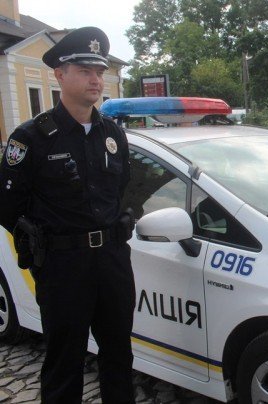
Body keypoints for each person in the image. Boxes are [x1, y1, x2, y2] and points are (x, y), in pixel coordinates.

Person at [0, 27, 135, 403]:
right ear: (60, 75)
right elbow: (8, 205)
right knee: (65, 362)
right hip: (63, 267)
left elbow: (122, 189)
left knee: (119, 356)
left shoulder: (113, 134)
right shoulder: (32, 137)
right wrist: (42, 246)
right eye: (85, 70)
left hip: (112, 261)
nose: (96, 80)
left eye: (100, 71)